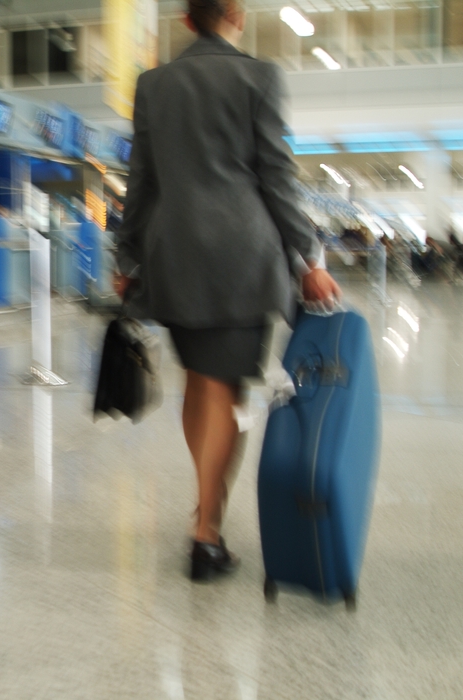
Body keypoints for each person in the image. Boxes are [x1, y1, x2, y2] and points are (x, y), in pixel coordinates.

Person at [113, 0, 340, 581]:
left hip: (177, 257)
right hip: (244, 258)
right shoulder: (258, 76)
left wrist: (128, 257)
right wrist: (309, 258)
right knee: (227, 391)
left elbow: (141, 182)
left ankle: (203, 507)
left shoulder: (154, 84)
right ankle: (206, 532)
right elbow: (277, 178)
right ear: (235, 15)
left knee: (202, 383)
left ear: (187, 20)